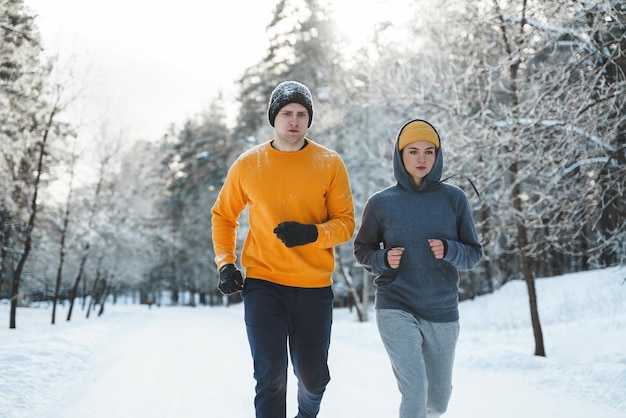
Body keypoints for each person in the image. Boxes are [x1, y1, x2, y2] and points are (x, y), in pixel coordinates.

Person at [211, 80, 355, 418]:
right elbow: (223, 214)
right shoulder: (249, 164)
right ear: (274, 118)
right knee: (270, 376)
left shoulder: (329, 163)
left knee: (313, 379)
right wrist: (225, 263)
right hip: (264, 284)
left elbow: (346, 224)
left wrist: (311, 234)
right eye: (287, 113)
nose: (294, 121)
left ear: (309, 120)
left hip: (313, 287)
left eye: (301, 114)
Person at [353, 119, 483, 418]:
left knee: (437, 401)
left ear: (438, 156)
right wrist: (383, 260)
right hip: (395, 304)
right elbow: (363, 250)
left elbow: (473, 254)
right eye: (412, 151)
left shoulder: (454, 199)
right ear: (400, 156)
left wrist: (450, 250)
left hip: (441, 308)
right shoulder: (381, 202)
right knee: (415, 390)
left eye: (429, 151)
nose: (421, 159)